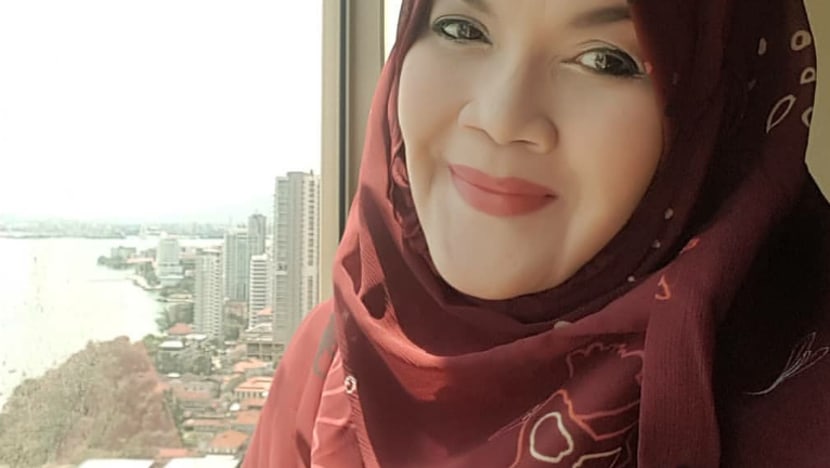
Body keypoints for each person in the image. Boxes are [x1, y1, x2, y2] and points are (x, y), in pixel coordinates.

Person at [244, 0, 827, 466]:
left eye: (605, 60)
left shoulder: (803, 407)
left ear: (715, 107)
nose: (501, 118)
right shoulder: (330, 357)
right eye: (462, 28)